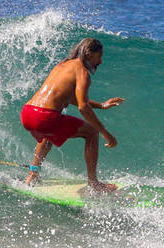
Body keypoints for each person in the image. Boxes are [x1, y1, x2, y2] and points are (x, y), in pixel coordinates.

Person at [20, 38, 124, 193]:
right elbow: (83, 107)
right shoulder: (82, 72)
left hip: (28, 113)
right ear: (88, 54)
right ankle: (94, 183)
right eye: (98, 56)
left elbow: (68, 97)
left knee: (49, 134)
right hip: (45, 117)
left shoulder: (62, 65)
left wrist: (101, 105)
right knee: (92, 132)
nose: (100, 61)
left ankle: (32, 174)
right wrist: (106, 134)